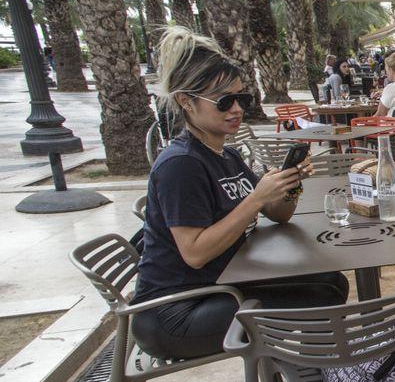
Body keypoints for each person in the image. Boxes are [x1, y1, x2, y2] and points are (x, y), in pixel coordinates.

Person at [133, 26, 348, 361]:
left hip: (221, 286)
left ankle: (313, 381)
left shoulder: (227, 155)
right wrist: (256, 199)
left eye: (241, 99)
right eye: (224, 101)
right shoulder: (181, 165)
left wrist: (288, 186)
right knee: (321, 295)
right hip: (176, 313)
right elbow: (194, 253)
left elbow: (278, 214)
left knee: (330, 281)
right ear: (186, 102)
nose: (236, 109)